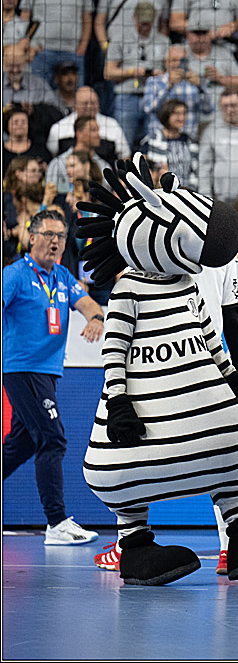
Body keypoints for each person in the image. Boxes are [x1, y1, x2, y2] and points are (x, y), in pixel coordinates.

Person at [2, 210, 104, 545]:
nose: (56, 242)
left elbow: (88, 304)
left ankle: (57, 523)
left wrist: (95, 319)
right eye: (49, 235)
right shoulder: (15, 275)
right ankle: (57, 523)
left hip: (47, 372)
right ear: (32, 238)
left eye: (60, 236)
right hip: (22, 368)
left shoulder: (62, 276)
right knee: (53, 439)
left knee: (22, 444)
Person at [105, 2, 171, 151]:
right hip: (127, 96)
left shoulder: (164, 41)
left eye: (148, 23)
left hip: (155, 98)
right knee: (124, 146)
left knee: (154, 145)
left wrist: (158, 76)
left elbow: (171, 73)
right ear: (134, 17)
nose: (144, 27)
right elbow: (108, 72)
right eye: (142, 22)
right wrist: (131, 72)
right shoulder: (119, 39)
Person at [19, 0, 92, 88]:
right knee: (38, 94)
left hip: (72, 51)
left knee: (76, 96)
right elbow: (25, 15)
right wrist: (26, 44)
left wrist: (83, 45)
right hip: (40, 52)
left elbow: (87, 17)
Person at [142, 45, 213, 141]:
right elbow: (148, 109)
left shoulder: (195, 82)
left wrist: (200, 87)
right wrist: (168, 86)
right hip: (160, 139)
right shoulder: (154, 81)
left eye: (182, 60)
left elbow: (208, 110)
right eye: (174, 60)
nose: (178, 64)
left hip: (187, 140)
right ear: (166, 62)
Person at [46, 87, 129, 165]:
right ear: (75, 105)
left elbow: (125, 156)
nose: (89, 107)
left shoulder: (112, 125)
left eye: (93, 103)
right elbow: (52, 156)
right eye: (85, 103)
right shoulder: (59, 127)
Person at [139, 99, 200, 190]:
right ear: (166, 115)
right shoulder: (151, 141)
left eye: (184, 113)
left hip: (187, 192)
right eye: (177, 114)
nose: (182, 118)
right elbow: (142, 169)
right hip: (161, 192)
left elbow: (195, 171)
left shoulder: (190, 141)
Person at [95, 0, 169, 54]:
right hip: (118, 49)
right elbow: (99, 21)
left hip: (149, 52)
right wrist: (105, 46)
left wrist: (161, 50)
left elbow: (163, 25)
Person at [45, 116, 112, 195]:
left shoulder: (104, 165)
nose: (98, 135)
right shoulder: (57, 163)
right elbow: (49, 194)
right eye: (93, 130)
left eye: (98, 130)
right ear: (79, 134)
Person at [2, 105, 50, 173]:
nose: (20, 125)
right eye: (15, 122)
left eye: (23, 122)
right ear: (7, 125)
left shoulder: (40, 149)